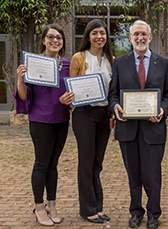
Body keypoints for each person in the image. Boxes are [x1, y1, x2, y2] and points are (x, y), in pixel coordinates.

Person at [108, 20, 168, 229]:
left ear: (150, 37)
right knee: (133, 174)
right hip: (127, 129)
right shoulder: (119, 62)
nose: (140, 38)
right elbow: (112, 94)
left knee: (152, 174)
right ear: (130, 38)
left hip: (153, 129)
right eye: (136, 34)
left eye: (143, 34)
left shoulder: (164, 63)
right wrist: (116, 107)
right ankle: (136, 211)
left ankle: (154, 213)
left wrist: (164, 110)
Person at [14, 24, 74, 226]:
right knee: (41, 163)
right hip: (40, 121)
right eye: (50, 37)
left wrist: (70, 99)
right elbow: (24, 95)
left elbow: (73, 90)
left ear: (63, 41)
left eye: (58, 37)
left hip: (61, 120)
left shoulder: (67, 64)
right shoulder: (33, 62)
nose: (55, 40)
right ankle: (39, 207)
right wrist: (20, 79)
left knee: (53, 164)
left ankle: (52, 204)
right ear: (43, 40)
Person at [70, 19, 114, 224]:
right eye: (95, 33)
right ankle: (88, 209)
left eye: (103, 33)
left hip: (104, 115)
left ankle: (97, 206)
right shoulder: (79, 58)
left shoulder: (111, 59)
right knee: (86, 162)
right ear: (88, 35)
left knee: (97, 163)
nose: (99, 37)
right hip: (84, 113)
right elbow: (72, 87)